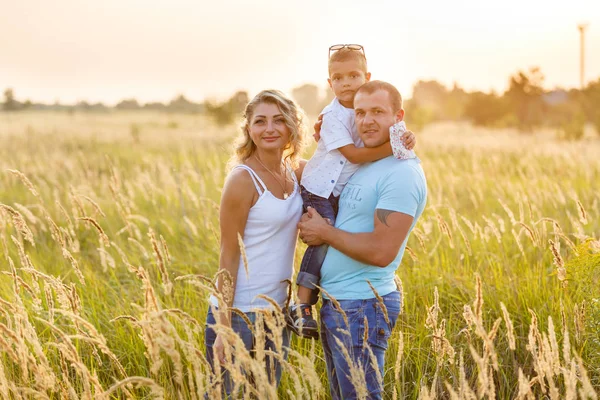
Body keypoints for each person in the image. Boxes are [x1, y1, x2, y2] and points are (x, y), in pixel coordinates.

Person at [298, 80, 428, 399]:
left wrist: (324, 232)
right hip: (338, 303)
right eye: (360, 113)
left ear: (398, 116)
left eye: (378, 112)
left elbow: (383, 252)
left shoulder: (401, 173)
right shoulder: (367, 161)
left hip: (362, 306)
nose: (367, 120)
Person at [287, 44, 416, 339]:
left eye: (353, 76)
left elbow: (397, 129)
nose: (346, 83)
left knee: (333, 230)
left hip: (341, 190)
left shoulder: (370, 109)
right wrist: (395, 147)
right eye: (338, 78)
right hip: (321, 189)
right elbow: (356, 156)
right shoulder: (332, 117)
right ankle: (302, 303)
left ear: (367, 76)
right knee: (323, 233)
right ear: (329, 83)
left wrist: (407, 137)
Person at [204, 89, 307, 396]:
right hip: (239, 313)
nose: (270, 128)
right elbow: (228, 256)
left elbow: (341, 166)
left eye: (279, 120)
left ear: (291, 127)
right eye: (260, 121)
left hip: (277, 312)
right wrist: (223, 326)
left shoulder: (296, 170)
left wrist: (399, 140)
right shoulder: (242, 179)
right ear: (249, 128)